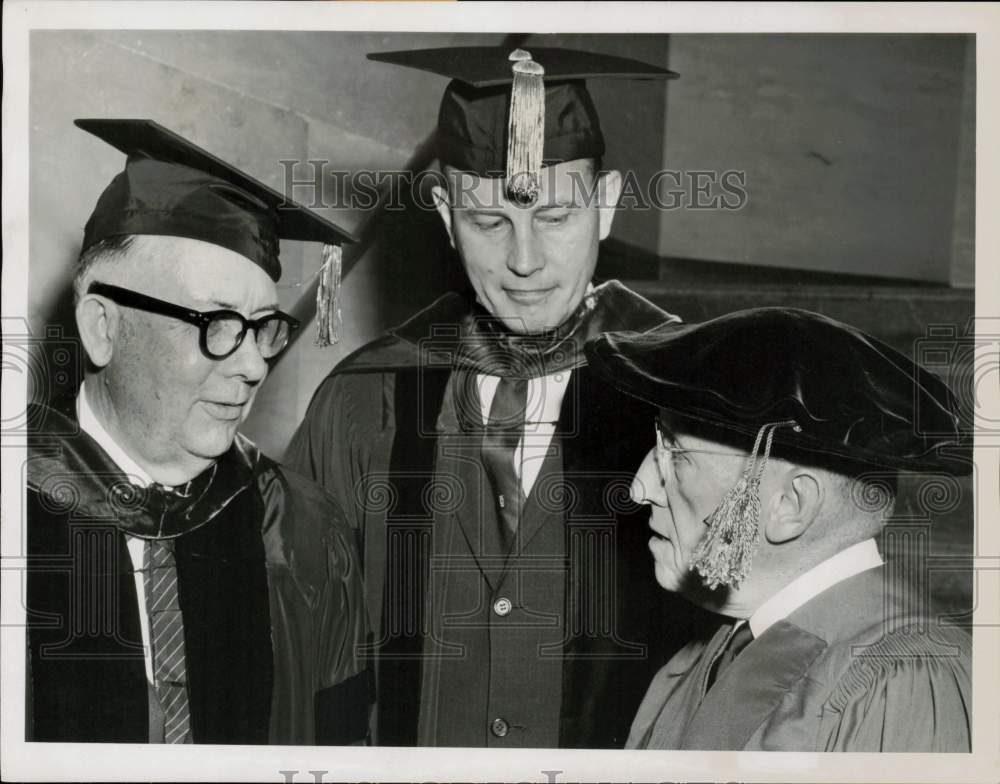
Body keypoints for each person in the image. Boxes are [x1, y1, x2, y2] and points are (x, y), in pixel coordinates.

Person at [286, 46, 709, 748]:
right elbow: (300, 633)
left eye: (555, 217)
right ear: (446, 216)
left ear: (605, 206)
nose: (524, 261)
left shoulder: (690, 399)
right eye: (489, 222)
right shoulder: (364, 402)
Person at [25, 119, 369, 744]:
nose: (254, 365)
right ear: (102, 327)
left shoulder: (303, 529)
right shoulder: (16, 507)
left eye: (264, 327)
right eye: (218, 322)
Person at [584, 307, 973, 751]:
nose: (639, 488)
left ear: (789, 505)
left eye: (676, 455)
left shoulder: (902, 682)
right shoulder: (711, 650)